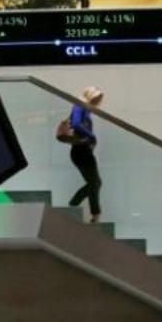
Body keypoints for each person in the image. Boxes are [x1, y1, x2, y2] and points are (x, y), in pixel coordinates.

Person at [66, 86, 104, 224]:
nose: (96, 101)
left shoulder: (85, 109)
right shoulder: (79, 105)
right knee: (95, 183)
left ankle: (76, 206)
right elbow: (76, 124)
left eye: (98, 98)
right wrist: (92, 136)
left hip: (84, 150)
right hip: (80, 151)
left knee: (94, 183)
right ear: (89, 96)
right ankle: (90, 211)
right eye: (95, 98)